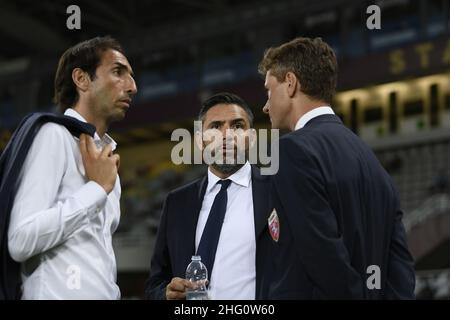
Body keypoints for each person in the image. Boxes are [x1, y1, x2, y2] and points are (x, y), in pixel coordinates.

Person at [258, 37, 415, 299]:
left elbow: (322, 255)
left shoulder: (289, 151)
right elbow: (400, 266)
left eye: (268, 91)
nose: (265, 105)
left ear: (290, 83)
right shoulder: (371, 161)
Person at [3, 36, 137, 299]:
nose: (132, 86)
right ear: (82, 79)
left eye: (131, 76)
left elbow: (98, 257)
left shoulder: (107, 162)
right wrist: (96, 190)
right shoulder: (53, 136)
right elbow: (20, 240)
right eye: (118, 72)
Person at [145, 92, 272, 300]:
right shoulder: (177, 202)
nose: (227, 135)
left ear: (252, 138)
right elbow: (155, 283)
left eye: (238, 126)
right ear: (199, 141)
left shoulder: (277, 191)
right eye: (215, 127)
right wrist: (165, 294)